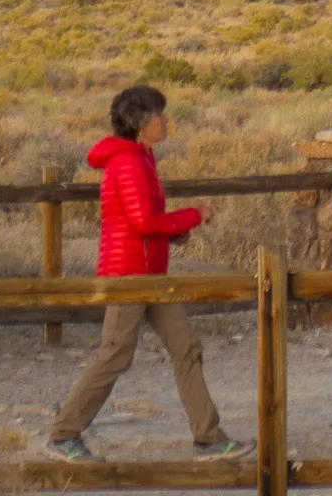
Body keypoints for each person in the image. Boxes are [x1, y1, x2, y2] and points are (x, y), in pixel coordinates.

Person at [45, 85, 246, 461]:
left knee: (185, 346)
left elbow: (141, 223)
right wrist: (193, 216)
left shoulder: (140, 158)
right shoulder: (129, 163)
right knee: (115, 354)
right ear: (141, 123)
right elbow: (142, 221)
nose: (166, 120)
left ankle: (209, 437)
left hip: (149, 272)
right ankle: (63, 434)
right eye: (159, 114)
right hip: (129, 274)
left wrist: (173, 234)